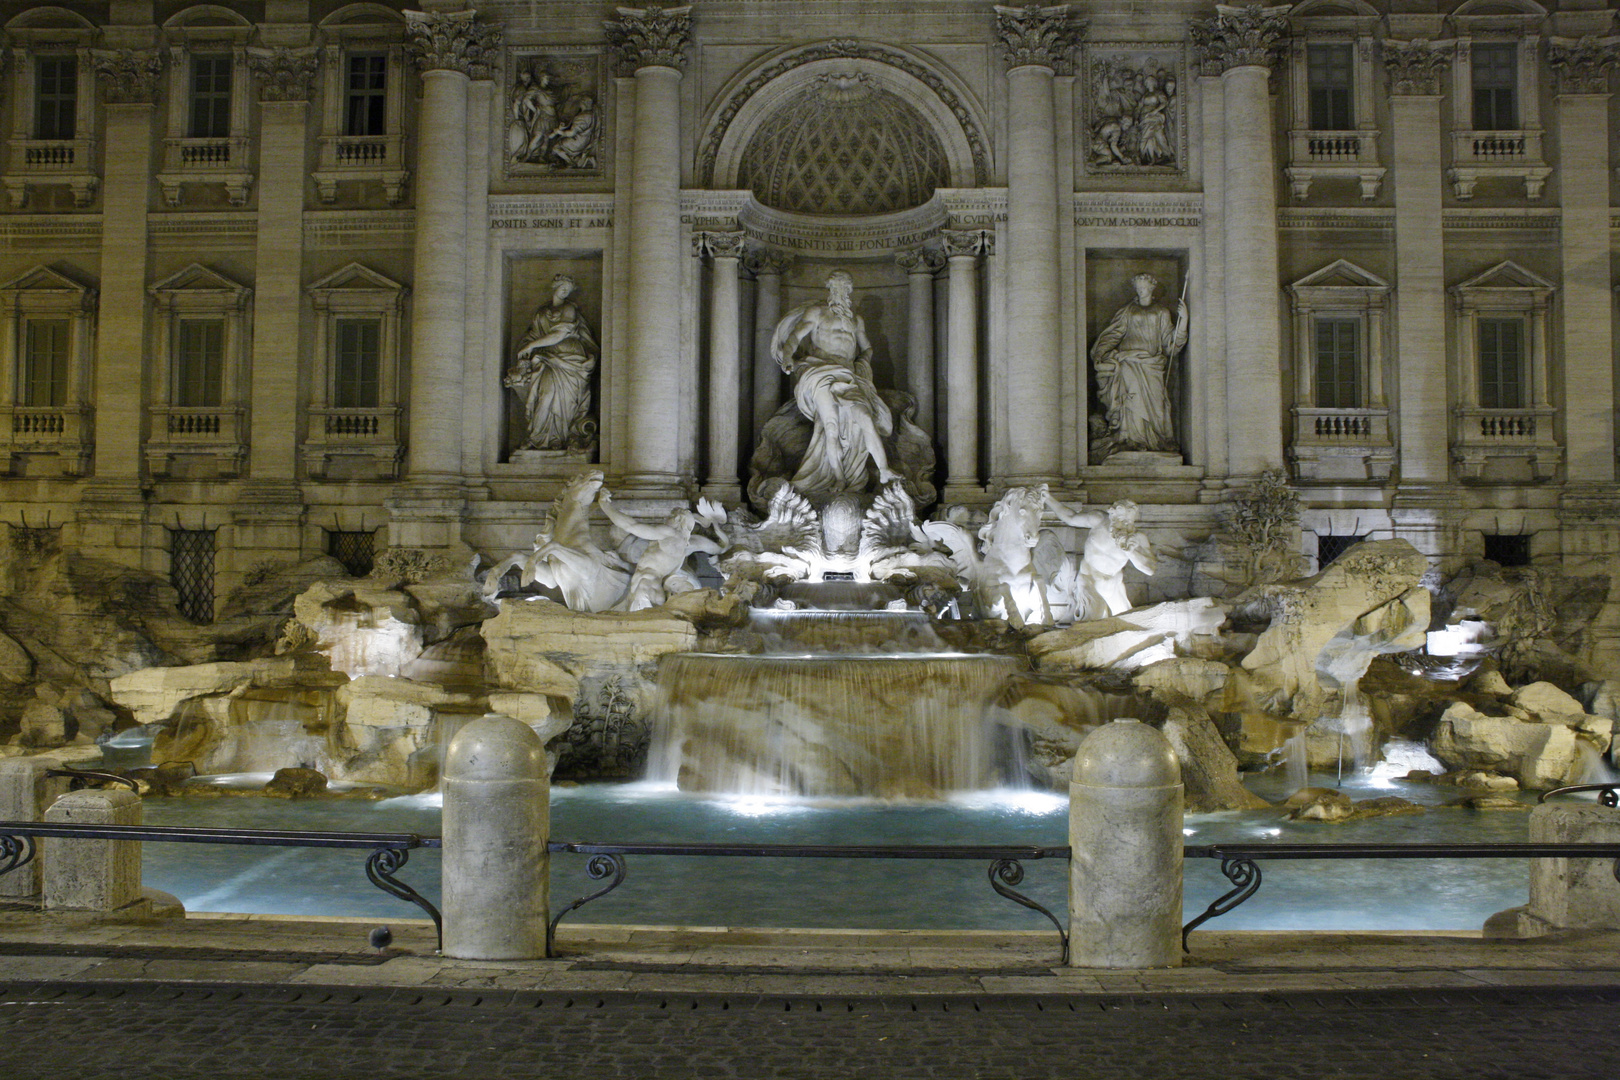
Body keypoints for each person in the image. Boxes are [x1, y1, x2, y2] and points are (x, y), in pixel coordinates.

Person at [769, 270, 900, 496]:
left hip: (848, 375)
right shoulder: (817, 312)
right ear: (829, 289)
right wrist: (789, 357)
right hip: (820, 371)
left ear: (850, 290)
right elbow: (795, 337)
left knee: (865, 417)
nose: (841, 291)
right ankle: (839, 478)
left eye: (845, 287)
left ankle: (884, 469)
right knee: (830, 426)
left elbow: (867, 347)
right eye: (836, 287)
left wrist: (862, 363)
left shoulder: (855, 319)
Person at [1090, 272, 1188, 458]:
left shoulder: (1161, 312)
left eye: (1144, 287)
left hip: (1152, 365)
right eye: (1138, 288)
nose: (1140, 291)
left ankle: (1157, 441)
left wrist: (1184, 320)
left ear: (1152, 288)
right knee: (1131, 400)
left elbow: (1171, 344)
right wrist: (1101, 352)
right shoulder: (1128, 311)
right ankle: (1131, 440)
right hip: (1129, 362)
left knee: (1157, 404)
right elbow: (1114, 334)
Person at [505, 275, 598, 451]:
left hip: (569, 359)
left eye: (568, 290)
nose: (565, 292)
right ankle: (537, 438)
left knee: (565, 401)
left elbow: (559, 334)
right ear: (555, 287)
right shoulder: (541, 312)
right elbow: (532, 334)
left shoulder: (569, 308)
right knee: (545, 396)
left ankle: (559, 439)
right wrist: (526, 347)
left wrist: (532, 345)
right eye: (563, 288)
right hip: (546, 359)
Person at [1045, 494, 1157, 620]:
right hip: (1089, 579)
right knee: (1091, 623)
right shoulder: (1098, 519)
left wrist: (1130, 552)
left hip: (1113, 583)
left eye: (1127, 522)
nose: (1123, 525)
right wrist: (1048, 498)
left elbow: (1150, 569)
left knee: (1127, 621)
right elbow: (1070, 517)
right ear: (1112, 515)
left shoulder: (1137, 538)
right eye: (1119, 520)